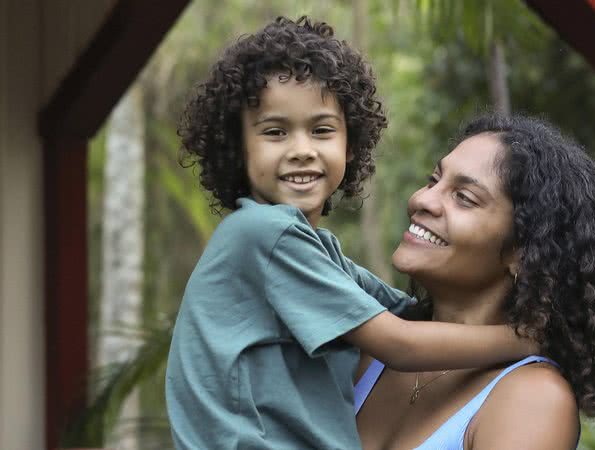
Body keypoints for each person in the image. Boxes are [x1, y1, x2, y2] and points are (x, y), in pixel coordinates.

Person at [165, 17, 533, 450]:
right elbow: (401, 343)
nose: (301, 149)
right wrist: (529, 338)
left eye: (321, 130)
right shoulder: (262, 233)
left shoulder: (320, 252)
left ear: (350, 145)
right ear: (237, 147)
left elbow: (409, 313)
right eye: (275, 132)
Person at [355, 114, 595, 450]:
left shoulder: (532, 399)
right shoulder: (372, 353)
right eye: (433, 180)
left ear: (521, 252)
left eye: (464, 198)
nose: (422, 200)